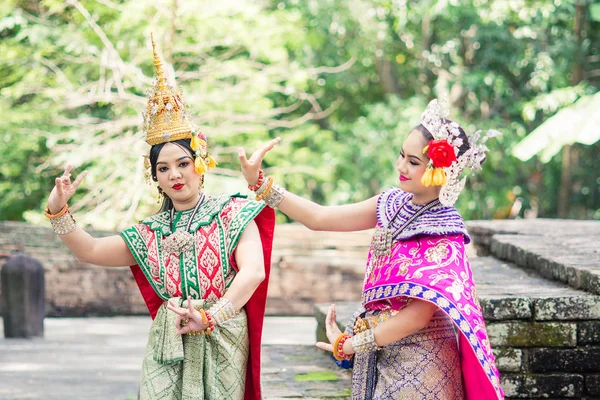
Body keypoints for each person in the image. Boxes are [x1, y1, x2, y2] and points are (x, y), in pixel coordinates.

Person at [44, 35, 275, 400]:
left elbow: (254, 272)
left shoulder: (233, 212)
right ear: (155, 177)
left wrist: (211, 317)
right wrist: (58, 208)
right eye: (163, 168)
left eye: (183, 163)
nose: (175, 174)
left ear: (200, 165)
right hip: (170, 338)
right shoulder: (150, 233)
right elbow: (88, 250)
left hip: (224, 334)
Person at [238, 98, 504, 400]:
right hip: (381, 352)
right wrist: (261, 184)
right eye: (402, 155)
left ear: (439, 171)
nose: (400, 166)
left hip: (425, 362)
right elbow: (319, 217)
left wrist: (353, 344)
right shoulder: (390, 203)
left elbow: (418, 315)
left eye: (413, 162)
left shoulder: (445, 230)